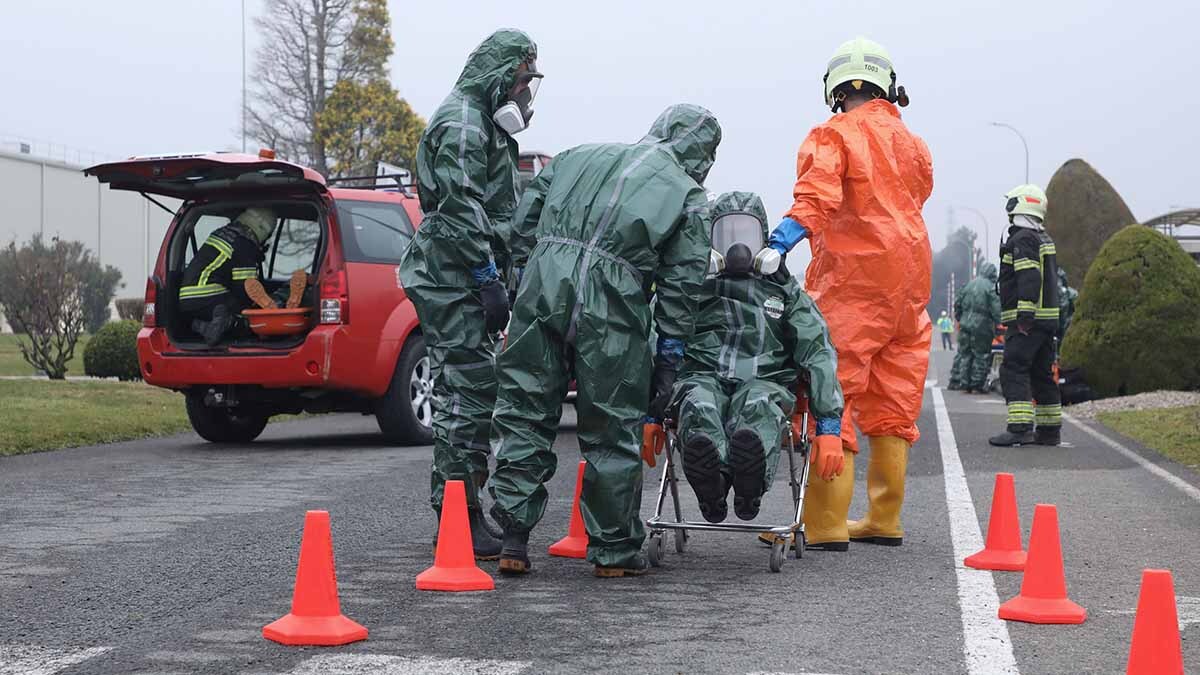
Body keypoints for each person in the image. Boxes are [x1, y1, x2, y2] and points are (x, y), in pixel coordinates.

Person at [489, 104, 721, 577]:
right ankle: (613, 552)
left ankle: (513, 537)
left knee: (525, 410)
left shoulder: (575, 157)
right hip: (613, 301)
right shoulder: (688, 196)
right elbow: (682, 284)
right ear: (703, 155)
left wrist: (523, 282)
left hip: (544, 283)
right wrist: (670, 356)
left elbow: (522, 228)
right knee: (612, 426)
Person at [750, 36, 933, 550]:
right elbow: (915, 195)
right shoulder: (914, 144)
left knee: (835, 393)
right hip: (909, 285)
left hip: (853, 283)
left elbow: (818, 196)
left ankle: (826, 524)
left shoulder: (834, 135)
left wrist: (780, 242)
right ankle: (884, 518)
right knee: (894, 398)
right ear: (888, 86)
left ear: (834, 89)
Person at [398, 29, 542, 560]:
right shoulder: (462, 123)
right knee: (466, 394)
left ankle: (462, 511)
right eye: (524, 78)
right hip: (451, 275)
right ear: (500, 72)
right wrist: (485, 277)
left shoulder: (484, 123)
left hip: (462, 274)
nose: (526, 91)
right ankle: (456, 519)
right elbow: (460, 207)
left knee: (471, 391)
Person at [670, 191, 844, 525]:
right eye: (726, 233)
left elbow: (819, 349)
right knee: (699, 403)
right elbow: (661, 341)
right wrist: (651, 413)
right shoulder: (692, 290)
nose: (738, 247)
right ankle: (713, 486)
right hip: (703, 377)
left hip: (766, 380)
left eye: (746, 234)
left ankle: (749, 487)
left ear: (763, 239)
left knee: (758, 406)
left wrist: (830, 424)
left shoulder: (785, 293)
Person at [989, 184, 1063, 447]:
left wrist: (1023, 317)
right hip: (1046, 321)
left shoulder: (1023, 239)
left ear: (1018, 207)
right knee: (1041, 373)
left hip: (1028, 322)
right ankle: (1049, 431)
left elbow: (1029, 278)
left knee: (1014, 369)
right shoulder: (1043, 238)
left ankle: (1019, 428)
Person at [178, 207, 275, 346]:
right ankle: (228, 323)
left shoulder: (221, 233)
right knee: (248, 319)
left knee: (229, 306)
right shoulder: (244, 244)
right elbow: (246, 289)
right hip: (210, 297)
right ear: (262, 230)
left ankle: (203, 327)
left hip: (186, 300)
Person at [954, 262, 1002, 393]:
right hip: (982, 326)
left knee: (966, 354)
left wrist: (960, 318)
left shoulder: (969, 285)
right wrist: (999, 323)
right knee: (981, 355)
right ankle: (976, 385)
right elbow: (996, 308)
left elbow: (957, 303)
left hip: (965, 324)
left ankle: (965, 383)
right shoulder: (990, 287)